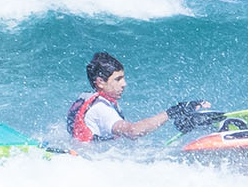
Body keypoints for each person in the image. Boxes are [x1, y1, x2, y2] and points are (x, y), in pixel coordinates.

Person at [67, 51, 213, 143]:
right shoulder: (101, 109)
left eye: (123, 78)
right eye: (118, 79)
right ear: (100, 83)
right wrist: (172, 112)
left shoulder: (87, 98)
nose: (124, 84)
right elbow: (133, 131)